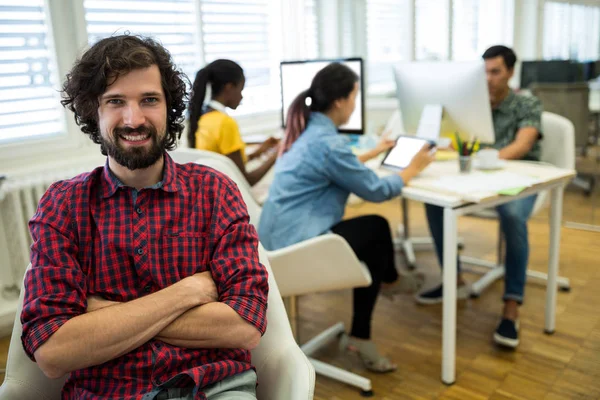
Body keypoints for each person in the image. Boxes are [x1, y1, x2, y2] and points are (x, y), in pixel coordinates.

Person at [20, 35, 269, 400]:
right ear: (94, 111)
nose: (133, 119)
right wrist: (189, 292)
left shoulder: (215, 192)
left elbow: (245, 327)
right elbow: (53, 352)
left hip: (214, 386)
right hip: (106, 392)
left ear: (169, 107)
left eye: (149, 100)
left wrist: (101, 316)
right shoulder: (63, 206)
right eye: (116, 101)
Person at [258, 63, 433, 373]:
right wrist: (411, 169)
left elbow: (336, 164)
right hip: (293, 250)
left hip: (271, 244)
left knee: (372, 236)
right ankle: (370, 316)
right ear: (340, 101)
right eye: (354, 96)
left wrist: (374, 152)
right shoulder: (328, 144)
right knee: (376, 228)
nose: (355, 103)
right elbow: (377, 190)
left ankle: (388, 285)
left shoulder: (308, 134)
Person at [415, 45, 543, 349]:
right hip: (478, 179)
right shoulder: (471, 105)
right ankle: (454, 281)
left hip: (522, 180)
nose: (488, 78)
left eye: (495, 71)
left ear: (511, 72)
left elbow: (522, 145)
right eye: (484, 71)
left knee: (512, 215)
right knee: (435, 201)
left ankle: (512, 306)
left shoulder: (527, 104)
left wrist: (489, 160)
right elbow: (456, 144)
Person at [188, 59, 279, 186]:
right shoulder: (225, 123)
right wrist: (278, 153)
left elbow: (228, 164)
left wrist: (259, 152)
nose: (241, 96)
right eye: (241, 90)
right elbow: (247, 180)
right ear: (229, 88)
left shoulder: (204, 118)